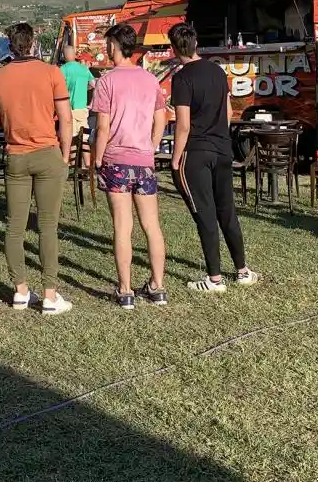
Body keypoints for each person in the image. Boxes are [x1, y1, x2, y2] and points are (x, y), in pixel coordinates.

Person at [0, 22, 73, 316]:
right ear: (34, 43)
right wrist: (64, 156)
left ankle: (20, 290)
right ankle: (50, 294)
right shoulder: (52, 73)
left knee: (14, 225)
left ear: (10, 46)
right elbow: (65, 118)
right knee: (47, 226)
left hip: (16, 155)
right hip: (48, 153)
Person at [168, 22, 258, 293]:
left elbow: (183, 125)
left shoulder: (181, 78)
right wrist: (219, 135)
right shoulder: (218, 71)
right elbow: (229, 111)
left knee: (205, 214)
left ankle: (214, 279)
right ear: (196, 44)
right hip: (222, 149)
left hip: (196, 152)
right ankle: (242, 271)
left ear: (174, 49)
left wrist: (175, 158)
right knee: (227, 211)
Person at [91, 23, 169, 309]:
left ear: (114, 46)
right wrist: (152, 145)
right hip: (144, 160)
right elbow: (161, 118)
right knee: (152, 225)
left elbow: (102, 127)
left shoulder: (106, 82)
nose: (106, 49)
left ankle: (125, 290)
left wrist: (97, 158)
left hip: (116, 160)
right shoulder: (150, 80)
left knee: (122, 226)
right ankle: (158, 286)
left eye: (107, 45)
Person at [60, 42, 95, 159]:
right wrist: (90, 101)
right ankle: (87, 166)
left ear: (64, 56)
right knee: (84, 138)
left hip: (68, 109)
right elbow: (94, 85)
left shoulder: (62, 69)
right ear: (74, 55)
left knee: (71, 139)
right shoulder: (84, 69)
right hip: (82, 109)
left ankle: (72, 164)